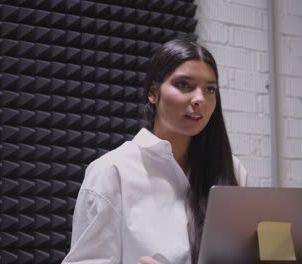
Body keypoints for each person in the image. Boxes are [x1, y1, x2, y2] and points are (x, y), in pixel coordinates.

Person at [63, 37, 248, 264]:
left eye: (210, 89)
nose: (200, 98)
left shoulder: (233, 170)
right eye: (184, 85)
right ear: (153, 92)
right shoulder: (112, 172)